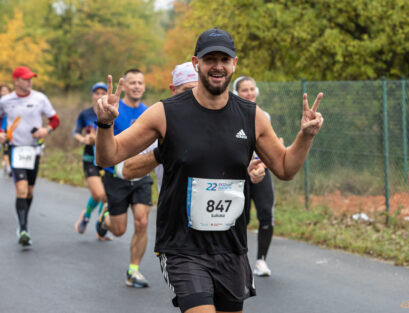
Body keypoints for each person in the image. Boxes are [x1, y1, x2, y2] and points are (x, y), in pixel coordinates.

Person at [94, 28, 323, 313]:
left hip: (230, 246)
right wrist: (105, 125)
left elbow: (286, 168)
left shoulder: (253, 117)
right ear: (196, 63)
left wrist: (306, 136)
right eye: (210, 58)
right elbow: (108, 157)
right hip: (182, 246)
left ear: (234, 64)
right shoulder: (165, 113)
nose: (217, 66)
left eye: (224, 59)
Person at [118, 63, 266, 188]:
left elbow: (249, 163)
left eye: (200, 90)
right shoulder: (162, 123)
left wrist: (254, 170)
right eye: (187, 91)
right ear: (173, 90)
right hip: (175, 218)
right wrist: (161, 153)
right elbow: (127, 170)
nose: (195, 98)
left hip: (224, 219)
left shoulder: (229, 122)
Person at [95, 69, 154, 288]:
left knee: (142, 221)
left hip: (141, 175)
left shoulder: (150, 113)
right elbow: (103, 146)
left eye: (140, 82)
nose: (137, 86)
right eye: (132, 83)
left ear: (144, 87)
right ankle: (105, 219)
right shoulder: (113, 108)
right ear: (125, 86)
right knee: (119, 230)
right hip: (116, 176)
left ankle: (133, 270)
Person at [0, 66, 60, 246]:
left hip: (34, 150)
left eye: (31, 78)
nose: (29, 81)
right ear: (16, 81)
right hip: (15, 149)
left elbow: (55, 120)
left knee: (30, 191)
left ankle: (23, 220)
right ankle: (23, 228)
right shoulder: (5, 100)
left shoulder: (40, 98)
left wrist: (45, 130)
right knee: (22, 189)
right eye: (25, 79)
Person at [233, 76, 277, 277]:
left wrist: (264, 165)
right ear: (237, 93)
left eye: (252, 89)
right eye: (244, 90)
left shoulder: (264, 116)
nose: (249, 93)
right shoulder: (230, 115)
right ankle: (237, 259)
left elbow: (270, 147)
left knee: (266, 214)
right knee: (241, 218)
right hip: (239, 174)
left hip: (261, 171)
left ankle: (261, 260)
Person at [73, 82, 111, 240]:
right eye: (97, 93)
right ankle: (88, 216)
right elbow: (76, 132)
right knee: (100, 194)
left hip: (108, 158)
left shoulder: (112, 113)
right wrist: (84, 139)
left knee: (105, 195)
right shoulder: (85, 114)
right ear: (92, 95)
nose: (100, 95)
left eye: (103, 92)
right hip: (90, 158)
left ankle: (98, 225)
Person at [1, 83, 12, 176]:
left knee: (11, 148)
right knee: (5, 148)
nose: (3, 92)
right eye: (2, 90)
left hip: (14, 129)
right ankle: (8, 168)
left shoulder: (14, 101)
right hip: (3, 129)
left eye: (5, 90)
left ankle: (8, 164)